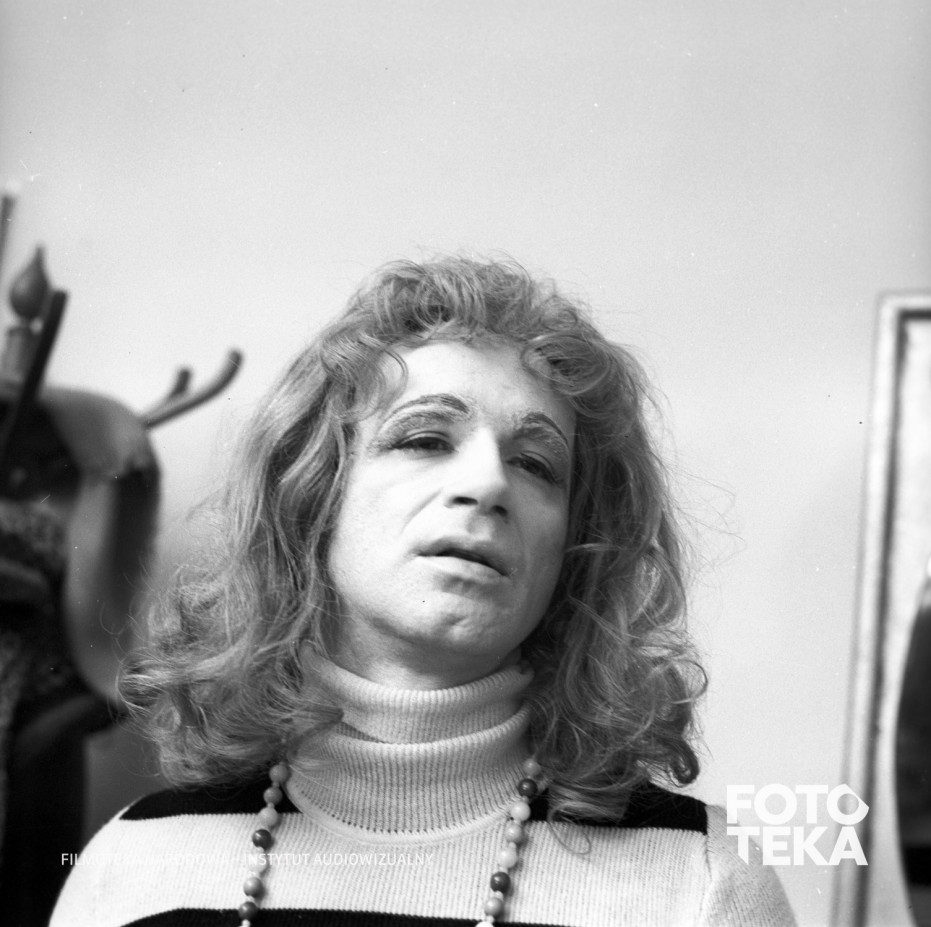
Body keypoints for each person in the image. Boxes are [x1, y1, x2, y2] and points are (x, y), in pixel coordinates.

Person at [52, 256, 794, 926]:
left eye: (536, 463)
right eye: (425, 438)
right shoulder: (131, 865)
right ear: (312, 498)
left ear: (573, 546)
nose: (487, 483)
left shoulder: (702, 883)